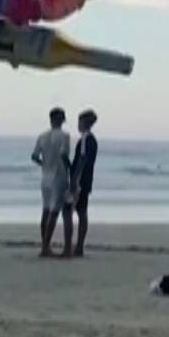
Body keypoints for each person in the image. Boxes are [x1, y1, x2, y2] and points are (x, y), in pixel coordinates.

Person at [32, 108, 72, 258]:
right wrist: (70, 171)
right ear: (61, 120)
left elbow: (34, 156)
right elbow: (64, 155)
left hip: (45, 177)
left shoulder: (42, 136)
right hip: (58, 176)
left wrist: (44, 164)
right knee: (54, 212)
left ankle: (45, 244)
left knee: (46, 210)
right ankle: (45, 247)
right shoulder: (64, 136)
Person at [69, 110, 98, 258]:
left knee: (78, 212)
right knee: (81, 212)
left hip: (81, 181)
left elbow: (82, 160)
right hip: (86, 180)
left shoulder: (86, 140)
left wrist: (74, 180)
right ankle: (78, 245)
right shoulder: (90, 140)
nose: (78, 125)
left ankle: (78, 246)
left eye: (79, 122)